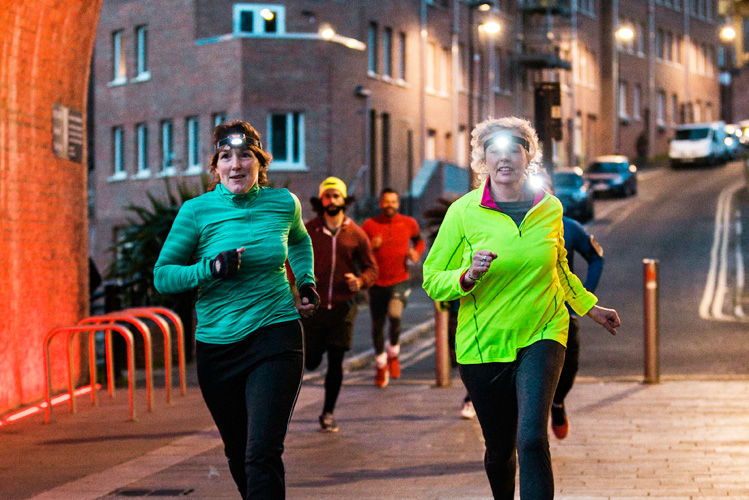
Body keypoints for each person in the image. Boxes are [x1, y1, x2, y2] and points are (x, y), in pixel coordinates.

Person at [422, 116, 620, 500]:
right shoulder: (463, 212)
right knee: (500, 451)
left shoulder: (550, 208)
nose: (504, 158)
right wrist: (466, 275)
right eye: (494, 150)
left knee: (531, 437)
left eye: (515, 149)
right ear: (482, 159)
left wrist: (590, 307)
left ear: (529, 155)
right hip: (484, 344)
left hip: (542, 332)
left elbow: (559, 267)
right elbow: (432, 277)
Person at [154, 120, 319, 500]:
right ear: (215, 167)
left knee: (261, 452)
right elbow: (163, 276)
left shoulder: (283, 203)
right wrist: (210, 268)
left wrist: (306, 280)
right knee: (238, 452)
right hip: (218, 345)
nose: (236, 165)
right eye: (226, 157)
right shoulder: (196, 212)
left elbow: (298, 240)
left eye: (246, 156)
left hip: (275, 334)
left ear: (261, 163)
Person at [303, 177, 378, 432]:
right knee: (311, 360)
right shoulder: (309, 230)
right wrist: (301, 281)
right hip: (313, 308)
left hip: (344, 309)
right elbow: (292, 260)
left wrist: (361, 280)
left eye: (336, 196)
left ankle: (328, 413)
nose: (332, 201)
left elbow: (371, 268)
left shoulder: (356, 234)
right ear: (320, 201)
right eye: (327, 196)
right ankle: (315, 352)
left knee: (336, 362)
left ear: (344, 200)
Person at [362, 188, 425, 387]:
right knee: (378, 325)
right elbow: (360, 253)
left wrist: (416, 253)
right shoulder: (369, 225)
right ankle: (381, 366)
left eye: (393, 202)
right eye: (386, 201)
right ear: (380, 204)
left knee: (395, 314)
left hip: (400, 278)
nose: (390, 205)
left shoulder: (409, 223)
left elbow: (420, 241)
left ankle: (394, 354)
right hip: (376, 282)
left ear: (398, 204)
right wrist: (372, 245)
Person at [551, 216, 605, 439]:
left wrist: (585, 293)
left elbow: (596, 257)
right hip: (524, 317)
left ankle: (557, 402)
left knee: (569, 366)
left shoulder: (568, 226)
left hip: (562, 312)